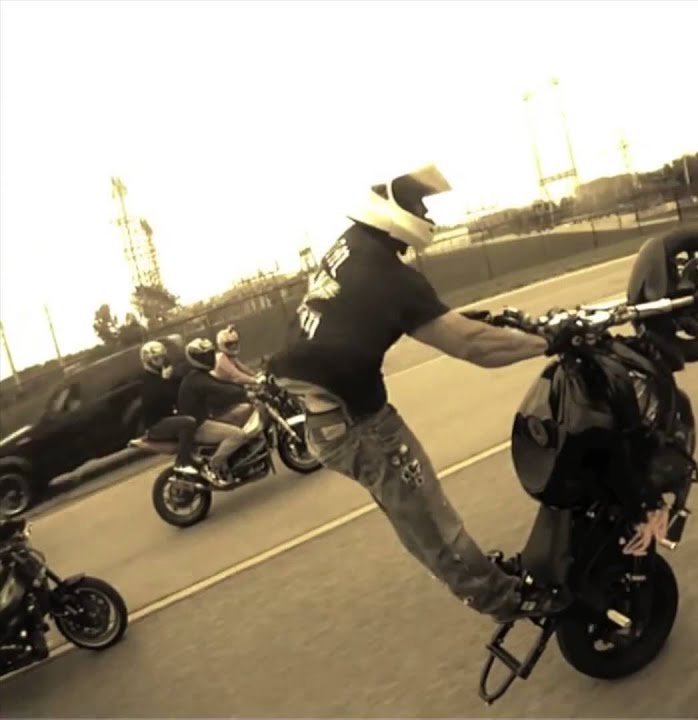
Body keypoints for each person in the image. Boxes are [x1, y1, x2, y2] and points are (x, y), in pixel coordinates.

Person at [267, 161, 579, 624]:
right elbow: (473, 347)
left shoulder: (351, 244)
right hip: (359, 424)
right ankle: (504, 600)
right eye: (420, 206)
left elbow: (396, 317)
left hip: (330, 416)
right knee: (431, 520)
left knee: (415, 516)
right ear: (395, 212)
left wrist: (468, 321)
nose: (427, 216)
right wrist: (548, 342)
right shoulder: (391, 277)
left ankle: (489, 582)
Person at [177, 337, 252, 485]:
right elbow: (219, 388)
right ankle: (212, 466)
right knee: (237, 435)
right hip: (198, 426)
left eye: (210, 355)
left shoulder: (199, 375)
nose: (209, 359)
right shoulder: (197, 379)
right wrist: (245, 392)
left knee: (243, 412)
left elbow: (221, 384)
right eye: (204, 356)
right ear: (195, 359)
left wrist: (245, 388)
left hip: (205, 419)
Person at [138, 341, 205, 479]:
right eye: (156, 358)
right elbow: (156, 401)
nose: (160, 361)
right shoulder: (147, 380)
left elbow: (180, 386)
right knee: (188, 422)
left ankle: (200, 455)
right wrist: (165, 380)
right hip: (156, 424)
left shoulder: (162, 375)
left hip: (168, 418)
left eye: (162, 357)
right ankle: (183, 461)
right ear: (147, 360)